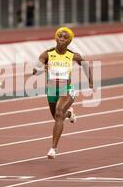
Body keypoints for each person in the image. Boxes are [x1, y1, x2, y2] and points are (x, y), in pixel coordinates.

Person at [33, 27, 93, 159]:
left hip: (67, 89)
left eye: (65, 37)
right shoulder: (46, 54)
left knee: (59, 115)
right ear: (56, 37)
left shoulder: (73, 55)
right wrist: (42, 69)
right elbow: (34, 71)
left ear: (69, 41)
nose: (61, 39)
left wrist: (91, 83)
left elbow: (85, 65)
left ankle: (53, 148)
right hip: (52, 90)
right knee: (56, 117)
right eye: (60, 36)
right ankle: (70, 113)